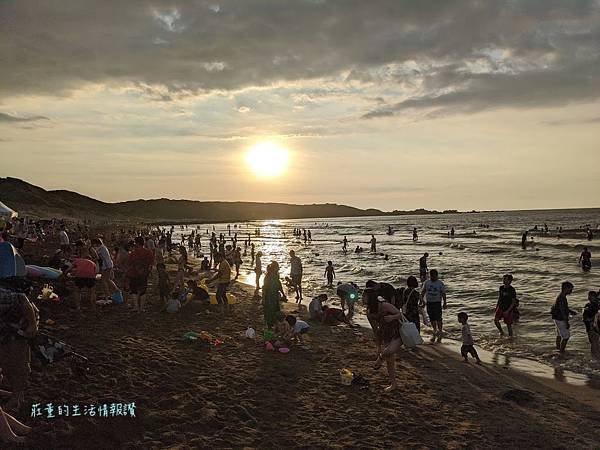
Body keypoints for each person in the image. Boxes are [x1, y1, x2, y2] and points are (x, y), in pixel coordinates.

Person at [0, 288, 38, 410]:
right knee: (6, 366)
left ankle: (16, 398)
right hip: (4, 333)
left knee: (16, 366)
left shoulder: (4, 297)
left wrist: (32, 325)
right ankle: (15, 395)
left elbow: (21, 298)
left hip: (15, 332)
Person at [367, 291, 404, 392]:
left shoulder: (385, 305)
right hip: (385, 334)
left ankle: (380, 359)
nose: (362, 299)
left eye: (364, 297)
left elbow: (400, 314)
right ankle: (393, 384)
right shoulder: (370, 312)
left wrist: (392, 317)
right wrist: (378, 345)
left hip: (397, 332)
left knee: (390, 351)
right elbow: (375, 330)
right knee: (390, 360)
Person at [126, 236, 155, 313]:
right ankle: (141, 308)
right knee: (143, 291)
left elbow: (129, 263)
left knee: (134, 290)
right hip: (144, 274)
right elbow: (151, 263)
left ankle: (136, 307)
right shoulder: (148, 252)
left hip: (133, 273)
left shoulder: (133, 253)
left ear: (137, 243)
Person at [421, 269, 446, 343]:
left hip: (437, 302)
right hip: (429, 302)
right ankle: (435, 330)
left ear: (437, 275)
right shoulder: (427, 282)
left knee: (438, 318)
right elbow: (423, 292)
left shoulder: (440, 283)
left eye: (434, 276)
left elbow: (443, 293)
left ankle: (440, 331)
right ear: (430, 275)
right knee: (431, 317)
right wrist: (421, 301)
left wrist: (445, 303)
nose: (433, 277)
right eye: (431, 276)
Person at [551, 281, 576, 353]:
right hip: (560, 319)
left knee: (559, 334)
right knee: (566, 337)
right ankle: (562, 352)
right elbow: (562, 312)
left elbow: (562, 308)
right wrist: (566, 322)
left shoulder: (561, 296)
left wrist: (570, 311)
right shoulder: (562, 298)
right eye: (570, 289)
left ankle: (558, 349)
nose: (571, 291)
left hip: (556, 318)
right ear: (565, 289)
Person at [262, 262, 285, 328]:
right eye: (277, 267)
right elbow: (264, 288)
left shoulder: (276, 275)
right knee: (269, 312)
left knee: (276, 311)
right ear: (274, 268)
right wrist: (263, 299)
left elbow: (279, 285)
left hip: (275, 296)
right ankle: (269, 326)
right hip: (269, 297)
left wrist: (283, 294)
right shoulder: (268, 277)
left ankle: (275, 326)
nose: (278, 269)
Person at [582, 291, 600, 356]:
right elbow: (585, 318)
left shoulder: (594, 305)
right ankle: (595, 357)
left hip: (593, 328)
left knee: (594, 343)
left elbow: (584, 318)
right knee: (594, 343)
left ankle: (594, 356)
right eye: (591, 296)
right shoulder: (589, 306)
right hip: (592, 328)